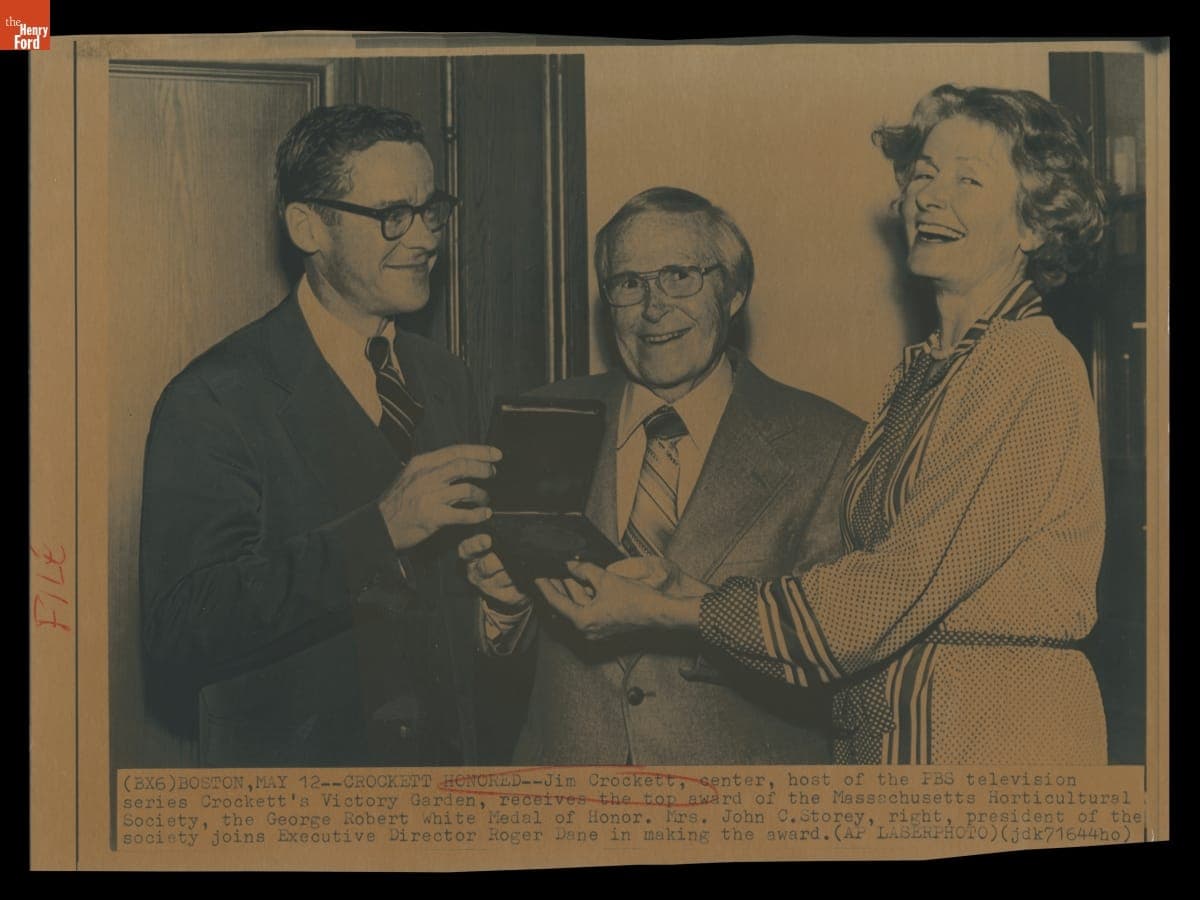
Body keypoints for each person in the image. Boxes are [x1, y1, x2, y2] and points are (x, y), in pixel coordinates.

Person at [546, 85, 1110, 766]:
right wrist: (689, 592)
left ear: (1034, 225)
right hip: (906, 738)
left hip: (993, 740)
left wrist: (676, 612)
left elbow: (888, 591)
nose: (931, 198)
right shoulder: (927, 371)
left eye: (968, 180)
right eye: (923, 175)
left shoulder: (1026, 362)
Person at [139, 105, 500, 767]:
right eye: (393, 215)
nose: (424, 238)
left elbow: (445, 613)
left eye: (431, 210)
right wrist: (379, 532)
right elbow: (181, 628)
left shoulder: (448, 379)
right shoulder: (216, 396)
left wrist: (499, 613)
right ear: (308, 226)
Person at [459, 187, 864, 765]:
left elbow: (836, 658)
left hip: (738, 805)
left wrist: (687, 619)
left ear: (734, 292)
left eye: (679, 276)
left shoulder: (829, 445)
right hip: (569, 796)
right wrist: (503, 609)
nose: (653, 308)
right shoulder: (540, 419)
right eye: (629, 283)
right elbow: (498, 675)